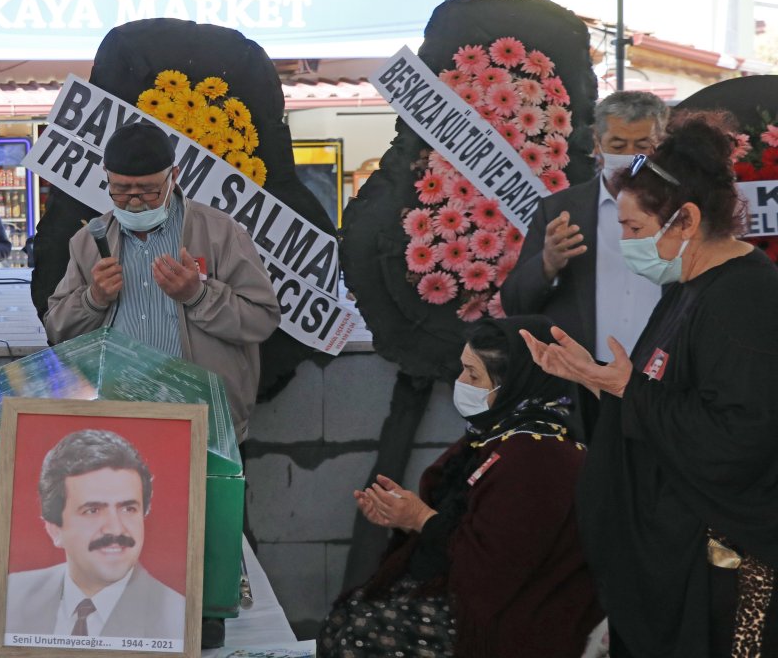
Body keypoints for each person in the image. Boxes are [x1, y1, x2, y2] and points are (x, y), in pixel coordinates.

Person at [522, 114, 778, 657]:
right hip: (672, 556)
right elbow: (655, 392)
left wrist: (628, 391)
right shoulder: (687, 286)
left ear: (684, 220)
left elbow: (742, 439)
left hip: (721, 572)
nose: (625, 241)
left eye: (634, 229)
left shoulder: (744, 301)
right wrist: (591, 377)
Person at [319, 316, 602, 658]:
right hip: (466, 593)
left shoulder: (540, 455)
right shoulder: (499, 432)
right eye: (462, 369)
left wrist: (420, 518)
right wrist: (403, 514)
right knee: (346, 620)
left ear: (513, 382)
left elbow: (494, 573)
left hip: (519, 615)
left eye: (473, 375)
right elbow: (463, 520)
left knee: (360, 635)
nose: (460, 382)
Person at [43, 122, 280, 441]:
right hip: (116, 422)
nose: (135, 201)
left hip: (204, 424)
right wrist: (92, 299)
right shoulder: (89, 241)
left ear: (175, 176)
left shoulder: (219, 233)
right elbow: (57, 329)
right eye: (122, 190)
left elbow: (262, 319)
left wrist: (198, 296)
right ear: (106, 176)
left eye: (149, 190)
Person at [501, 91, 668, 438]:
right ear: (596, 141)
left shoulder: (683, 209)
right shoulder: (560, 210)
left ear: (661, 142)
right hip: (583, 384)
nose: (629, 156)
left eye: (643, 145)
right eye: (617, 144)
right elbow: (515, 303)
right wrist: (547, 263)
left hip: (664, 380)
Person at [5, 429, 184, 639]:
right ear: (55, 529)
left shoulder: (177, 619)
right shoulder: (12, 596)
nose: (116, 529)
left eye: (128, 509)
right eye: (92, 511)